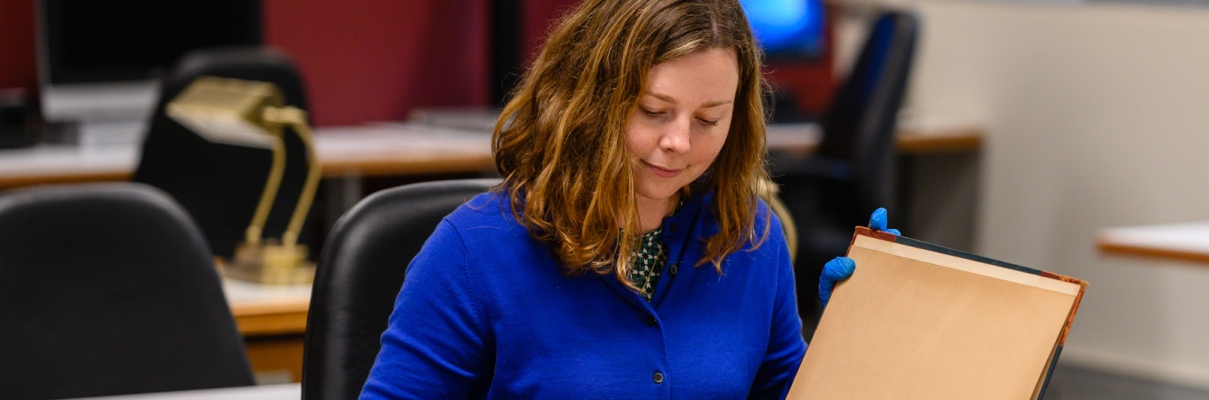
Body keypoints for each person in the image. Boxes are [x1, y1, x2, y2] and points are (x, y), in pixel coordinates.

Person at [359, 0, 882, 397]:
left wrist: (856, 335)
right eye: (653, 110)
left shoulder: (748, 237)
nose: (679, 142)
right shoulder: (473, 251)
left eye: (708, 119)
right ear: (589, 102)